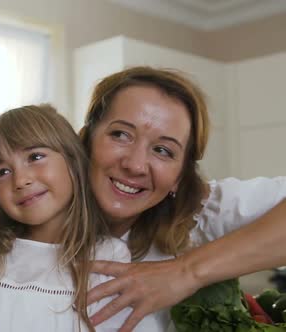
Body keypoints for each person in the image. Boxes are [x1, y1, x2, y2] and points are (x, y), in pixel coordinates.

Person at [78, 66, 286, 331]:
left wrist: (186, 271)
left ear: (179, 176)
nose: (136, 165)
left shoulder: (205, 212)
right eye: (121, 134)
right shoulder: (32, 211)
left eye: (163, 150)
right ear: (85, 139)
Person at [0, 104, 132, 331]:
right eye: (2, 171)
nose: (20, 180)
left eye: (35, 156)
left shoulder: (107, 257)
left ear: (73, 161)